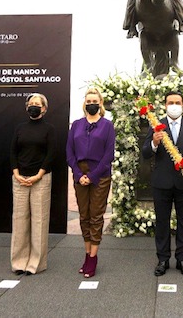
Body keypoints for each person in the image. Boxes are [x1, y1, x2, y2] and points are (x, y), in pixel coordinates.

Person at [142, 90, 183, 277]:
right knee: (162, 222)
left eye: (178, 102)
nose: (174, 105)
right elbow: (145, 153)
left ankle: (182, 259)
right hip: (161, 183)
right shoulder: (156, 126)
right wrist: (153, 143)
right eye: (171, 102)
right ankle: (162, 259)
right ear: (165, 105)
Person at [66, 88, 115, 278]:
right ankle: (87, 253)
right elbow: (69, 152)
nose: (91, 103)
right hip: (80, 173)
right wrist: (79, 174)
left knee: (96, 216)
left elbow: (108, 155)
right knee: (84, 216)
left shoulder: (107, 125)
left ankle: (93, 258)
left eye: (95, 100)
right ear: (84, 103)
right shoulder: (76, 125)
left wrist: (92, 176)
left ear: (100, 103)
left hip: (100, 175)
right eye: (88, 101)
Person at [9, 93, 57, 275]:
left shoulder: (49, 129)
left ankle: (35, 263)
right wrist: (16, 173)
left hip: (41, 179)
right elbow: (13, 152)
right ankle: (19, 262)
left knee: (39, 221)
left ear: (44, 109)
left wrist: (38, 175)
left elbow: (51, 153)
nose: (34, 106)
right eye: (31, 104)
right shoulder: (20, 128)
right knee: (19, 220)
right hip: (20, 179)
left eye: (37, 104)